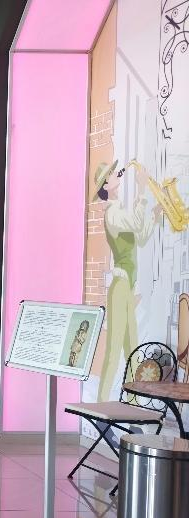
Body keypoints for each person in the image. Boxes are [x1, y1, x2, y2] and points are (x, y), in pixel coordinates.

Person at [94, 160, 162, 402]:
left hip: (127, 289)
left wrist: (155, 216)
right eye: (111, 173)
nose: (116, 173)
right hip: (120, 288)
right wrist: (141, 191)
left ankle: (132, 403)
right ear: (106, 185)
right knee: (114, 352)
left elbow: (140, 237)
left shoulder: (120, 210)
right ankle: (101, 405)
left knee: (132, 349)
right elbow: (134, 222)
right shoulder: (112, 213)